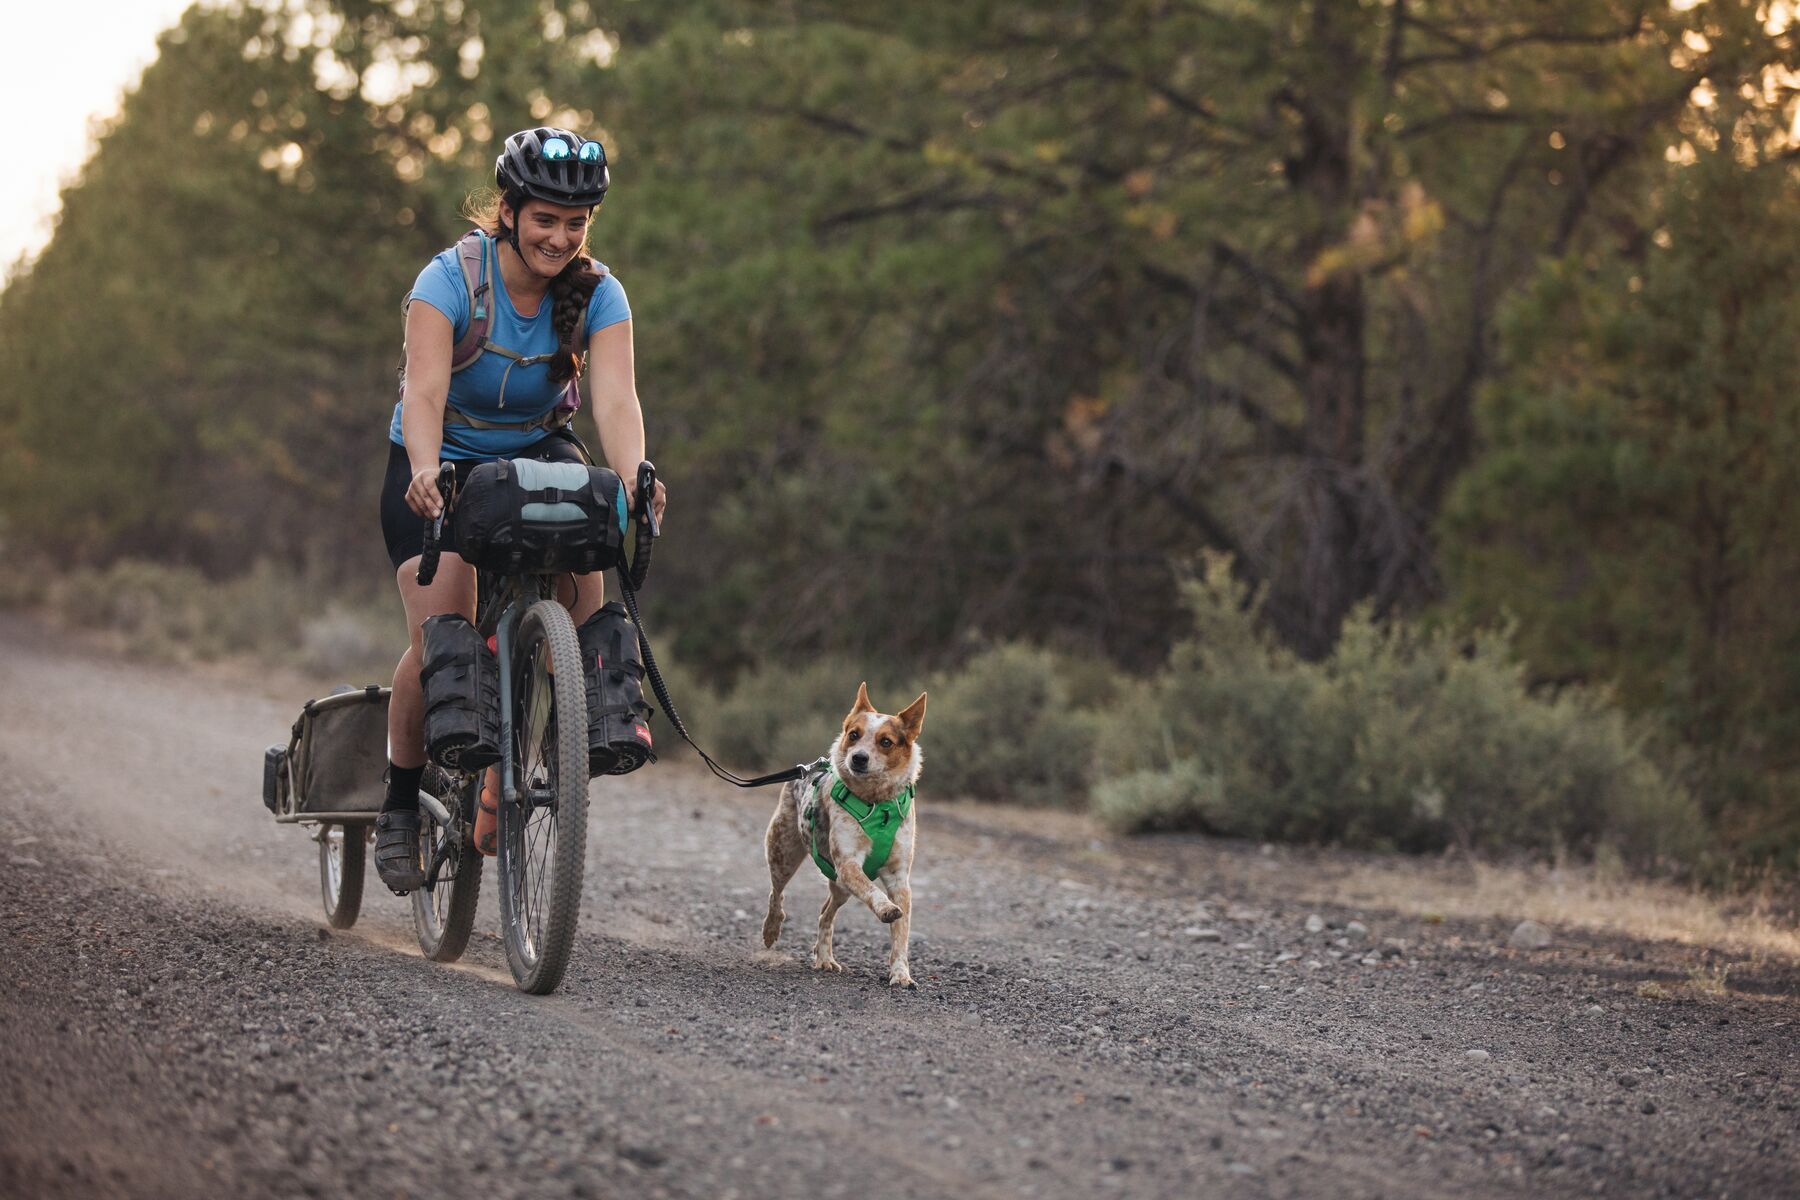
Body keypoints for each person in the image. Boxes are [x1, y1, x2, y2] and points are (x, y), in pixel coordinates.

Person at [374, 125, 668, 893]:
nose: (560, 238)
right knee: (441, 633)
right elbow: (426, 391)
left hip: (537, 449)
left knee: (588, 596)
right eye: (545, 220)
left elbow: (614, 398)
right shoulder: (449, 281)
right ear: (508, 211)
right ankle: (401, 802)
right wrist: (428, 468)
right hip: (437, 460)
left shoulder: (599, 292)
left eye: (576, 224)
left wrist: (637, 477)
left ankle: (547, 748)